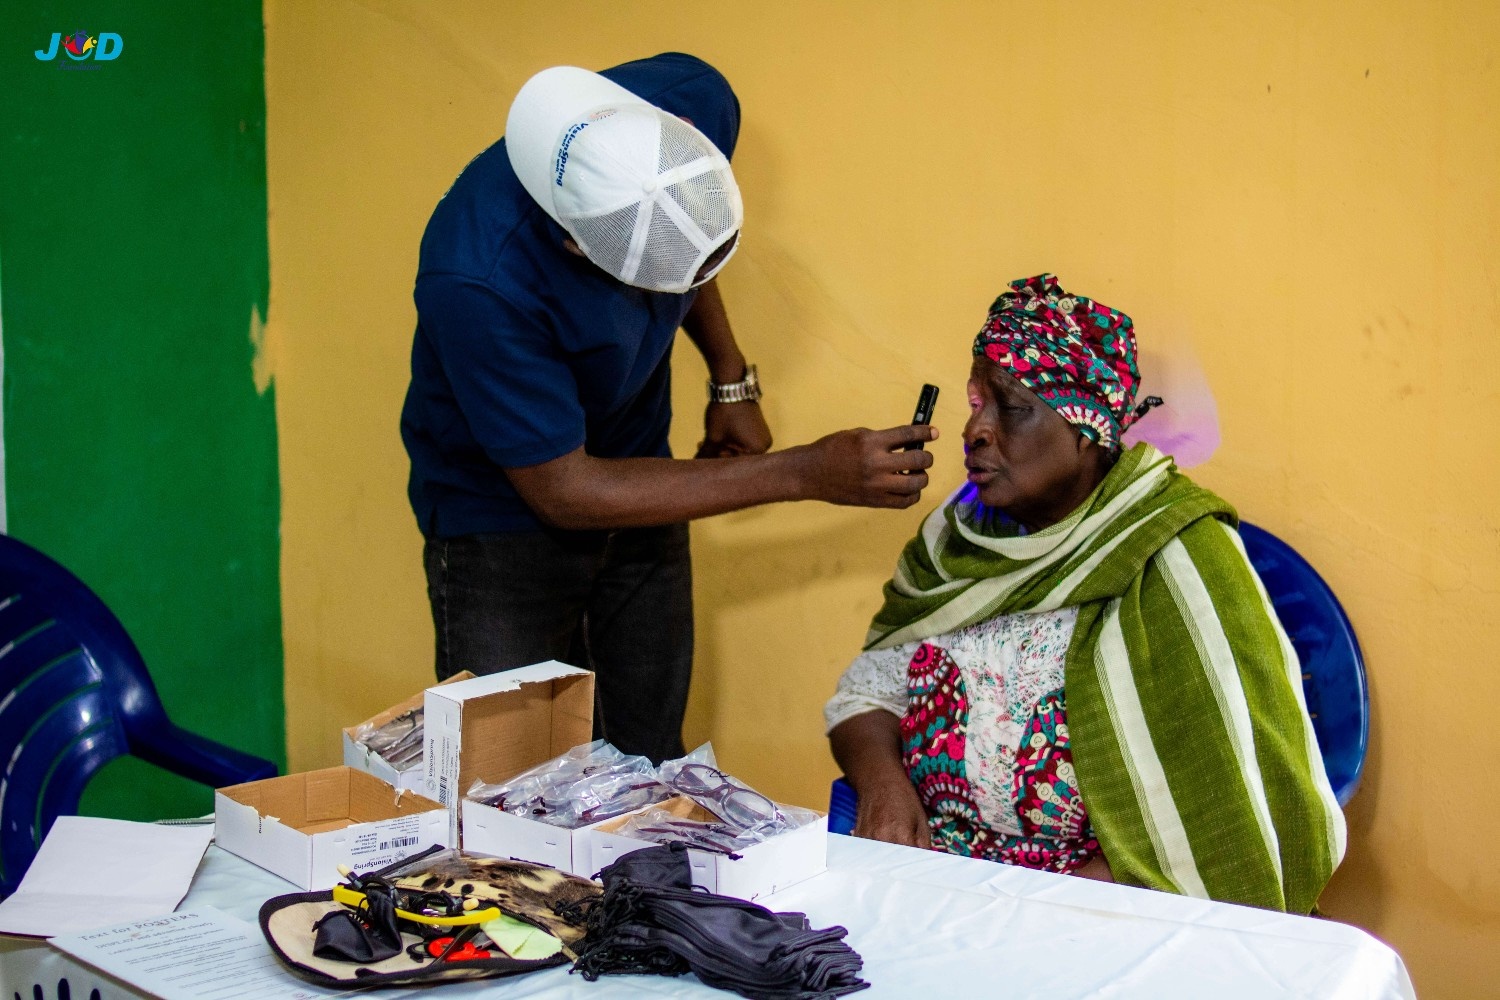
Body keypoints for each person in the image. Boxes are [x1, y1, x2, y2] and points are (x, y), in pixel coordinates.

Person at [400, 53, 935, 764]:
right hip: (502, 522)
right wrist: (806, 473)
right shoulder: (476, 279)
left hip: (641, 477)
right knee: (515, 786)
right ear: (572, 242)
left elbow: (688, 246)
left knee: (649, 762)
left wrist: (730, 378)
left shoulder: (691, 98)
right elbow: (566, 491)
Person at [825, 274, 1345, 913]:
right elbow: (866, 693)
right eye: (974, 403)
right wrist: (885, 791)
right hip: (937, 887)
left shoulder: (1175, 554)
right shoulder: (953, 544)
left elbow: (1228, 796)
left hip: (1101, 911)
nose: (976, 430)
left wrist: (1053, 908)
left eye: (1010, 406)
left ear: (1087, 430)